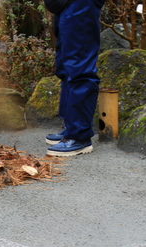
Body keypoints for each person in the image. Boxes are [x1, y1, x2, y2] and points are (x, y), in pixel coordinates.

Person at [44, 0, 105, 157]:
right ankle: (71, 127)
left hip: (80, 3)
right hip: (63, 5)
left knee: (80, 65)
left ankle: (79, 136)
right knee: (65, 66)